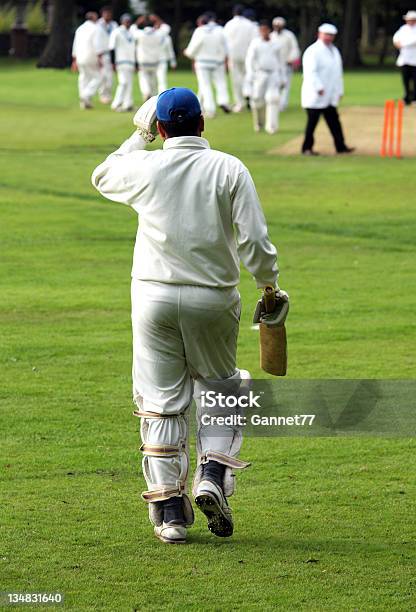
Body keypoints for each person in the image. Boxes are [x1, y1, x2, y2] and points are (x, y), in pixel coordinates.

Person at [91, 87, 285, 544]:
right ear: (202, 124)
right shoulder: (228, 167)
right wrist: (268, 284)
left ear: (160, 129)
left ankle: (170, 513)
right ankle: (212, 476)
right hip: (213, 298)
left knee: (161, 399)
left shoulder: (147, 164)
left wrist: (138, 136)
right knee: (221, 386)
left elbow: (103, 175)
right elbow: (254, 242)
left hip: (154, 297)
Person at [301, 23, 354, 155]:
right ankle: (307, 148)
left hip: (330, 94)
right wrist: (318, 87)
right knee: (312, 123)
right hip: (315, 94)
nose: (329, 38)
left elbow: (337, 73)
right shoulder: (313, 51)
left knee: (334, 122)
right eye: (326, 35)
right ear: (319, 34)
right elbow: (310, 72)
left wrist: (339, 90)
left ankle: (340, 146)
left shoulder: (334, 50)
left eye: (331, 35)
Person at [184, 14, 231, 119]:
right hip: (218, 62)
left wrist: (187, 53)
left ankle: (210, 109)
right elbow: (227, 48)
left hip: (202, 62)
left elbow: (193, 48)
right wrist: (225, 59)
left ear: (201, 22)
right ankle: (223, 101)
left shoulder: (200, 31)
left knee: (205, 85)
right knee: (220, 83)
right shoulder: (220, 30)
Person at [246, 20, 283, 134]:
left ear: (269, 30)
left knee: (273, 99)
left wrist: (282, 77)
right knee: (257, 100)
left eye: (265, 30)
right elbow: (249, 59)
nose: (263, 32)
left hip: (273, 74)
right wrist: (250, 74)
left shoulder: (276, 43)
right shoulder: (255, 43)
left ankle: (271, 126)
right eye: (261, 30)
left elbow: (280, 61)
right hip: (260, 74)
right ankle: (259, 123)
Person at [224, 4, 259, 112]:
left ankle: (240, 103)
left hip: (233, 55)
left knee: (236, 79)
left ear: (234, 13)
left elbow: (224, 41)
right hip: (247, 55)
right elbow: (256, 41)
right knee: (248, 77)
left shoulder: (229, 25)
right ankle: (249, 96)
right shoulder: (250, 25)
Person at [393, 10, 416, 106]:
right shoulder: (403, 28)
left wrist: (402, 43)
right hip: (404, 58)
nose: (410, 22)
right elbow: (396, 37)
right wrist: (396, 42)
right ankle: (407, 97)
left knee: (415, 80)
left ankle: (415, 99)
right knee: (406, 79)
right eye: (409, 20)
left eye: (412, 20)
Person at [71, 12, 102, 110]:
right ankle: (85, 95)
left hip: (80, 57)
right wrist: (100, 58)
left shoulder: (80, 28)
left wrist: (74, 60)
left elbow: (75, 45)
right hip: (91, 56)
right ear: (93, 18)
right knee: (98, 77)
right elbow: (97, 45)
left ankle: (85, 103)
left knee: (84, 78)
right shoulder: (96, 28)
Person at [131, 15, 165, 100]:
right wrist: (158, 19)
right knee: (153, 80)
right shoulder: (158, 34)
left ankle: (146, 92)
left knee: (143, 78)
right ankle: (153, 97)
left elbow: (132, 29)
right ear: (154, 25)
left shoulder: (140, 34)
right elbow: (166, 28)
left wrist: (138, 21)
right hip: (154, 62)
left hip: (143, 61)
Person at [270, 17, 300, 111]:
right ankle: (275, 102)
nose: (278, 27)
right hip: (274, 66)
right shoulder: (271, 36)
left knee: (285, 85)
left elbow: (295, 48)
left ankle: (283, 104)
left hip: (286, 64)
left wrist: (291, 59)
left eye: (279, 26)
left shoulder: (289, 35)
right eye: (276, 26)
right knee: (275, 85)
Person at [109, 14, 136, 112]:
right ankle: (116, 104)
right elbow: (111, 48)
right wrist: (112, 62)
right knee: (123, 82)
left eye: (129, 21)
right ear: (122, 21)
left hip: (130, 62)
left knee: (129, 84)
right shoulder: (116, 32)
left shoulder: (132, 32)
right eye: (126, 21)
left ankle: (128, 104)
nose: (128, 22)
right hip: (120, 61)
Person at [95, 5, 118, 104]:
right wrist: (98, 56)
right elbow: (96, 41)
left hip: (112, 54)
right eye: (106, 13)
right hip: (101, 53)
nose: (108, 15)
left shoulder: (114, 25)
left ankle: (108, 95)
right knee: (103, 76)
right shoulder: (98, 25)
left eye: (109, 13)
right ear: (102, 14)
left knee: (110, 77)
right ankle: (103, 95)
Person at [149, 14, 176, 92]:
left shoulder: (153, 36)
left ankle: (154, 96)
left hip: (154, 61)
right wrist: (173, 62)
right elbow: (170, 51)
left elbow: (170, 50)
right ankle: (161, 96)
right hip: (160, 61)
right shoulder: (167, 37)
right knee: (162, 80)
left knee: (155, 81)